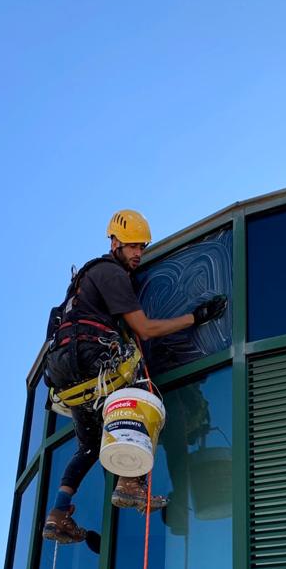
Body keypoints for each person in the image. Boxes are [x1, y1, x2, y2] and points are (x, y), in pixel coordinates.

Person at [42, 209, 227, 544]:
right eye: (131, 247)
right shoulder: (110, 274)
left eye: (141, 247)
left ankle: (57, 514)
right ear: (114, 242)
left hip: (66, 374)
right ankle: (129, 484)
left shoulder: (81, 284)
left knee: (87, 447)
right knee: (144, 400)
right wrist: (194, 318)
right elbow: (143, 328)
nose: (138, 254)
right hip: (90, 359)